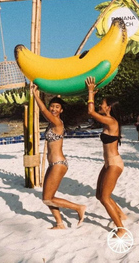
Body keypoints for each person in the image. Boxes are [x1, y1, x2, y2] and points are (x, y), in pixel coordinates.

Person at [30, 84, 86, 229]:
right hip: (53, 164)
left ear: (61, 110)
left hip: (58, 164)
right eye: (52, 106)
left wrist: (35, 94)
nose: (53, 109)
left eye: (56, 107)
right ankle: (59, 223)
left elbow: (42, 110)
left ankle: (78, 208)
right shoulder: (51, 123)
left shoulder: (57, 122)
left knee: (47, 198)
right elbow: (45, 111)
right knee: (48, 197)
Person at [85, 77, 127, 237]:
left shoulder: (111, 121)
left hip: (115, 164)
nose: (100, 106)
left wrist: (90, 92)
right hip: (108, 164)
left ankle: (121, 228)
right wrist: (92, 96)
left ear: (108, 107)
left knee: (104, 197)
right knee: (99, 195)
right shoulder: (108, 121)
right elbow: (92, 112)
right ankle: (120, 214)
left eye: (102, 103)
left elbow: (90, 111)